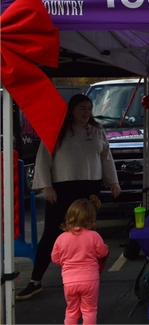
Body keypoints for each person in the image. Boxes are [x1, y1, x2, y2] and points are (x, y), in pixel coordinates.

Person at [17, 94, 121, 300]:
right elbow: (43, 158)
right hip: (61, 188)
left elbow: (106, 158)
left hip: (90, 185)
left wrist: (113, 181)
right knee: (52, 233)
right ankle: (35, 280)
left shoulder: (98, 130)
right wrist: (46, 186)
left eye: (89, 108)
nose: (86, 112)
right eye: (82, 108)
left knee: (86, 233)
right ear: (71, 109)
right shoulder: (57, 129)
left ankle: (86, 277)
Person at [52, 197, 109, 325]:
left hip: (69, 280)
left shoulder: (61, 238)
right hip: (90, 279)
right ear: (90, 219)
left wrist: (66, 261)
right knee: (89, 310)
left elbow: (55, 258)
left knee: (71, 310)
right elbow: (102, 252)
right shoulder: (94, 236)